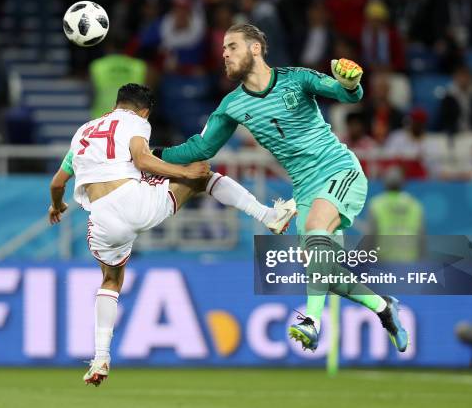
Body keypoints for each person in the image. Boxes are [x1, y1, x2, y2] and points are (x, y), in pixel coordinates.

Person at [155, 24, 408, 352]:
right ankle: (384, 308)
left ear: (256, 48)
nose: (225, 54)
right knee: (325, 271)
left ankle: (311, 322)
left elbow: (346, 94)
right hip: (305, 189)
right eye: (223, 49)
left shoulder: (296, 78)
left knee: (317, 230)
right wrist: (153, 155)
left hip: (338, 170)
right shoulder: (231, 105)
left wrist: (352, 83)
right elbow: (200, 149)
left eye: (232, 47)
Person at [47, 83, 297, 386]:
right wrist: (184, 174)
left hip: (101, 218)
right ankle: (268, 215)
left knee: (111, 280)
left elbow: (58, 183)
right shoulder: (136, 122)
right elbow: (142, 159)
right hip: (135, 201)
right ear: (145, 110)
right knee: (202, 173)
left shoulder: (83, 132)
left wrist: (57, 206)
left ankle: (101, 356)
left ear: (116, 103)